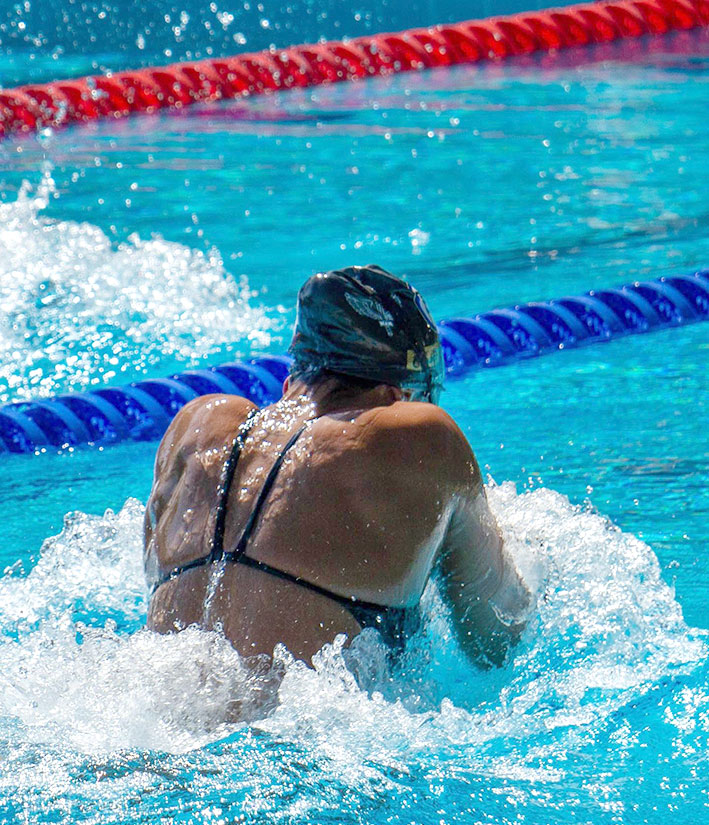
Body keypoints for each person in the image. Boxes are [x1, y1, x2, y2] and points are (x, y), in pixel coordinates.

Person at [144, 265, 531, 667]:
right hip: (299, 726)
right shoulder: (421, 435)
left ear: (290, 381)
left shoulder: (196, 427)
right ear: (396, 395)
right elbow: (495, 640)